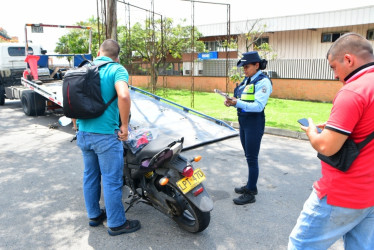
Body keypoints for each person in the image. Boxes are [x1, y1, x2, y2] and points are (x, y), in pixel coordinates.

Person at [288, 33, 374, 249]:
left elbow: (327, 146)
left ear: (348, 59)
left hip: (342, 194)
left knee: (300, 245)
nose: (335, 75)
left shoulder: (353, 91)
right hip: (370, 195)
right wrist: (337, 127)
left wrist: (312, 132)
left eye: (334, 67)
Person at [76, 39, 141, 236]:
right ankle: (116, 223)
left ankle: (94, 216)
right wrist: (124, 125)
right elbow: (123, 96)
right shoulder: (116, 69)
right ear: (117, 55)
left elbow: (74, 98)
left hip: (83, 133)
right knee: (112, 181)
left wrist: (77, 124)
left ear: (98, 52)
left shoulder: (83, 68)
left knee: (90, 175)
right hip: (105, 135)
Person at [225, 51, 273, 205]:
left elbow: (258, 106)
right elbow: (244, 101)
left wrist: (236, 103)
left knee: (252, 158)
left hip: (254, 123)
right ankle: (250, 185)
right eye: (243, 67)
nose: (244, 69)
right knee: (248, 156)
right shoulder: (248, 80)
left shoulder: (263, 82)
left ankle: (251, 192)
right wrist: (232, 102)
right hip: (244, 121)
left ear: (256, 65)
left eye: (247, 66)